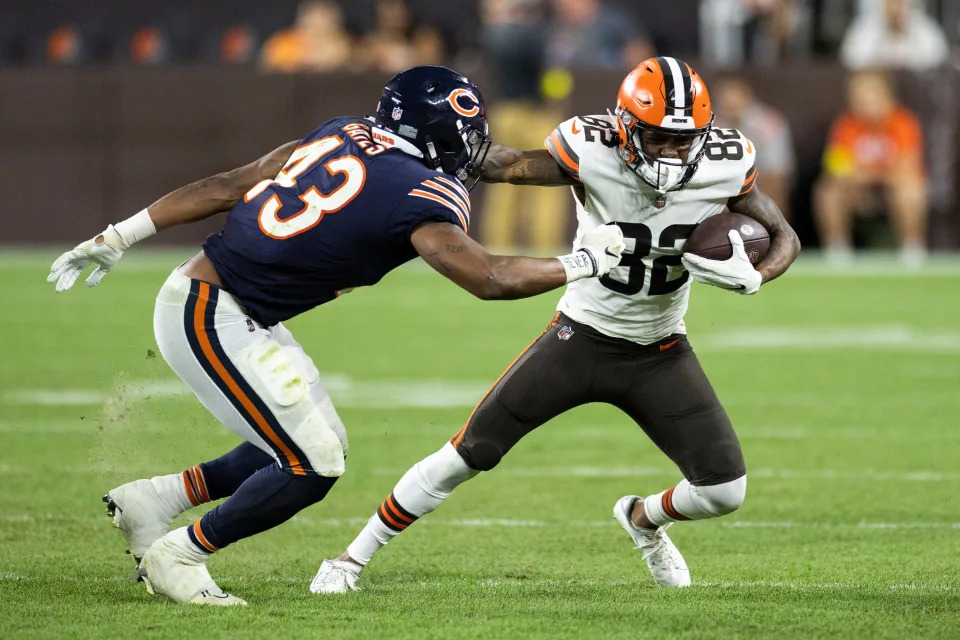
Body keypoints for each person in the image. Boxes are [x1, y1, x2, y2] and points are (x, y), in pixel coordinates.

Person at [46, 65, 625, 606]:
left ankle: (155, 500)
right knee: (311, 463)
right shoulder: (423, 193)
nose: (472, 150)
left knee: (318, 443)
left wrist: (119, 234)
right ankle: (182, 554)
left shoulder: (340, 131)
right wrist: (582, 262)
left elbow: (229, 185)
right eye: (463, 137)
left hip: (228, 308)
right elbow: (488, 277)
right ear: (436, 138)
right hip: (212, 315)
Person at [313, 56, 801, 593]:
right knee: (469, 454)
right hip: (579, 337)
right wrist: (424, 138)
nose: (670, 152)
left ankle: (642, 520)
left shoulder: (727, 163)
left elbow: (784, 238)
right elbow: (507, 166)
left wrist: (756, 276)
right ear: (624, 126)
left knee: (723, 491)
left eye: (682, 140)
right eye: (657, 137)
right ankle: (348, 561)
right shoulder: (591, 148)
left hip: (660, 349)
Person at [814, 72, 927, 265]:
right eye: (859, 98)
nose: (865, 103)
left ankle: (911, 248)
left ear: (888, 97)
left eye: (871, 96)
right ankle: (837, 249)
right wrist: (863, 178)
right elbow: (835, 169)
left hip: (892, 187)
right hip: (857, 189)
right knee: (827, 191)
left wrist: (865, 174)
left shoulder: (903, 122)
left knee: (910, 189)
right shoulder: (846, 124)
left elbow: (907, 167)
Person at [480, 0, 567, 252]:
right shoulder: (540, 36)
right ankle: (545, 248)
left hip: (504, 112)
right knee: (547, 183)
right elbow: (553, 79)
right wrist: (557, 99)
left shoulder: (495, 35)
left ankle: (497, 248)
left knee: (502, 184)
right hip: (535, 112)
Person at [714, 77, 794, 219]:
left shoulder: (769, 123)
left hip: (762, 177)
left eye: (736, 99)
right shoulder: (713, 126)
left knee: (773, 184)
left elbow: (777, 168)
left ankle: (777, 234)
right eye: (726, 102)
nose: (731, 105)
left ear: (747, 99)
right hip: (727, 181)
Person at [840, 0, 949, 71]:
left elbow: (938, 59)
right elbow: (853, 60)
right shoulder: (864, 31)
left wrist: (906, 31)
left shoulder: (924, 29)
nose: (894, 9)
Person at [547, 0, 653, 69]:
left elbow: (640, 50)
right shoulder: (553, 28)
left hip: (609, 88)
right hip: (569, 93)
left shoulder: (613, 21)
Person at [259, 0, 352, 73]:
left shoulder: (345, 47)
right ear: (302, 23)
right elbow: (268, 71)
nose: (319, 31)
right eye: (314, 25)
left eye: (326, 25)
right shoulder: (282, 46)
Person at [356, 0, 444, 73]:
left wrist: (401, 57)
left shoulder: (425, 38)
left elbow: (432, 60)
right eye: (391, 6)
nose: (398, 12)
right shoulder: (368, 44)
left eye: (402, 6)